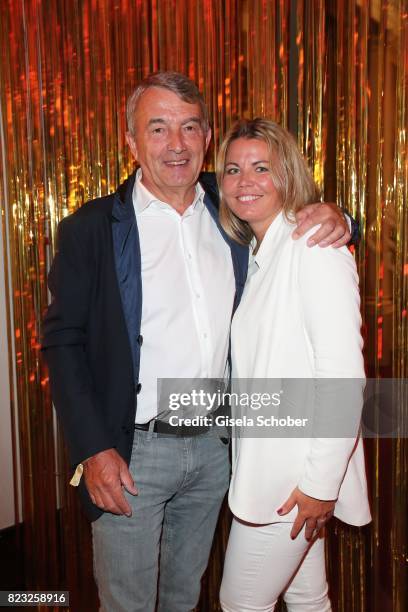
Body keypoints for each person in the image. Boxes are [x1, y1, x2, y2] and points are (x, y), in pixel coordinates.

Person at [41, 73, 353, 612]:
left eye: (189, 128)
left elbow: (301, 224)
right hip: (131, 453)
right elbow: (62, 342)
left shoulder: (231, 204)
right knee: (130, 603)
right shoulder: (92, 227)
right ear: (132, 141)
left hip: (218, 450)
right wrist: (93, 448)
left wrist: (344, 218)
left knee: (186, 596)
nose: (176, 144)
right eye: (157, 128)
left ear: (207, 136)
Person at [216, 118, 371, 612]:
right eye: (233, 169)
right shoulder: (264, 252)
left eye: (262, 167)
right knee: (307, 598)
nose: (245, 181)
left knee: (240, 603)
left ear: (289, 175)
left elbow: (343, 373)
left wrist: (322, 483)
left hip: (294, 483)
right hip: (277, 473)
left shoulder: (313, 247)